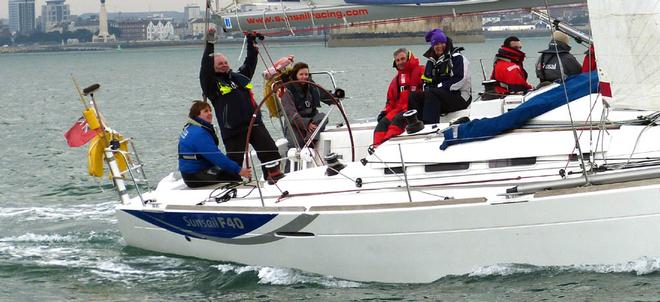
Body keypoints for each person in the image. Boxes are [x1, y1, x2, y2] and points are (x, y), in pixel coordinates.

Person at [199, 28, 283, 181]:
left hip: (254, 123)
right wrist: (210, 44)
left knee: (271, 152)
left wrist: (251, 42)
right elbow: (205, 67)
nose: (224, 65)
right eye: (220, 63)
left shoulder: (238, 77)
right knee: (234, 162)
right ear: (213, 67)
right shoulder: (211, 84)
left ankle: (273, 179)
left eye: (225, 62)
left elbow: (250, 62)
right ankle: (232, 185)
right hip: (233, 129)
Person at [178, 101, 252, 188]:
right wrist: (239, 170)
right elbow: (216, 156)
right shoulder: (199, 134)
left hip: (191, 172)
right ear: (197, 115)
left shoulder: (191, 127)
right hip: (195, 176)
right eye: (205, 111)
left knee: (228, 169)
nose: (210, 113)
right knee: (233, 176)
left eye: (210, 110)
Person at [409, 28, 471, 124]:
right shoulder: (431, 62)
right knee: (414, 96)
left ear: (446, 43)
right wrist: (430, 90)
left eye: (442, 43)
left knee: (432, 93)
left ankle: (430, 125)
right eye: (436, 44)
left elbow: (460, 79)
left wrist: (439, 88)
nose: (439, 46)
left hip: (460, 97)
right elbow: (426, 82)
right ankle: (416, 124)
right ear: (433, 46)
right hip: (439, 97)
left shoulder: (458, 58)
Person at [373, 48, 424, 146]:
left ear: (409, 58)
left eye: (403, 59)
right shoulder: (396, 81)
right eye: (398, 60)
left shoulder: (421, 71)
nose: (400, 62)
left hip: (413, 109)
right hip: (398, 110)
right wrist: (384, 112)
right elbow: (390, 101)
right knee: (382, 125)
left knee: (396, 122)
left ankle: (387, 146)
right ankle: (376, 148)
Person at [280, 62, 336, 149]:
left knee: (323, 117)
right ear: (295, 75)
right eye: (301, 74)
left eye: (306, 74)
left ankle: (309, 142)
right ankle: (306, 146)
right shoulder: (288, 91)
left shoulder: (312, 86)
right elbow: (291, 114)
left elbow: (325, 95)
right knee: (296, 146)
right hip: (294, 123)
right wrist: (307, 124)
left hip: (312, 118)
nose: (304, 77)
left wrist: (336, 97)